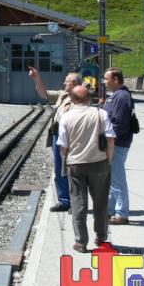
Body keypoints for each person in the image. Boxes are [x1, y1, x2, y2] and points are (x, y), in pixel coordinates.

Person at [57, 85, 115, 252]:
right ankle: (101, 236)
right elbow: (110, 139)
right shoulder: (100, 114)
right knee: (101, 202)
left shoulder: (66, 118)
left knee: (78, 204)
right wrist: (108, 160)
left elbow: (64, 146)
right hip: (99, 163)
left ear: (73, 99)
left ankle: (81, 242)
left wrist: (65, 160)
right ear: (89, 98)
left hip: (76, 165)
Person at [28, 67, 82, 212]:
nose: (65, 83)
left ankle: (75, 203)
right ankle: (64, 200)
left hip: (71, 137)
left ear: (76, 84)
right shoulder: (63, 95)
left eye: (68, 82)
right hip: (57, 135)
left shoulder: (80, 98)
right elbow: (44, 93)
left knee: (72, 170)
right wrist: (36, 78)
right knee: (59, 170)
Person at [103, 67, 134, 225]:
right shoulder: (116, 96)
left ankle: (122, 214)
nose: (104, 82)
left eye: (106, 79)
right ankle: (110, 211)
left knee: (117, 179)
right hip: (114, 143)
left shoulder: (121, 97)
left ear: (116, 79)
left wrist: (107, 139)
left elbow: (119, 124)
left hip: (117, 143)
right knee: (112, 179)